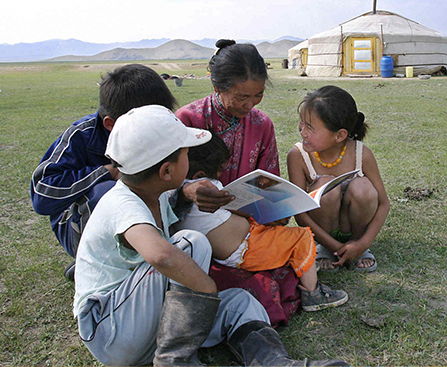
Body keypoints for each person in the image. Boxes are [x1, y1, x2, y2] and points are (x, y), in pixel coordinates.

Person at [74, 105, 347, 367]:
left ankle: (274, 362)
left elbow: (173, 207)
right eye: (185, 153)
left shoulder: (155, 194)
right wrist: (206, 288)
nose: (189, 160)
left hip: (154, 328)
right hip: (109, 330)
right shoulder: (123, 202)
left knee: (241, 302)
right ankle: (175, 361)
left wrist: (186, 192)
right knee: (191, 244)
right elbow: (160, 255)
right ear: (167, 171)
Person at [31, 64, 178, 279]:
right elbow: (42, 196)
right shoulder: (81, 136)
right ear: (111, 124)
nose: (156, 127)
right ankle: (92, 264)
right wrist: (106, 172)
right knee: (109, 192)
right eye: (148, 122)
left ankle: (150, 257)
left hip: (141, 220)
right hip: (80, 224)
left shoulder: (158, 131)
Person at [175, 131, 348, 312]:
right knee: (301, 237)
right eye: (220, 170)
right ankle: (313, 294)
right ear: (200, 174)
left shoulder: (176, 195)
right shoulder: (208, 188)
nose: (221, 175)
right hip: (247, 248)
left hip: (233, 249)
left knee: (282, 237)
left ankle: (306, 269)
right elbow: (242, 211)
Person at [287, 86, 390, 272]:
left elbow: (383, 204)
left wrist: (363, 244)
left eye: (310, 127)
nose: (302, 132)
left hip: (356, 232)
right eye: (301, 123)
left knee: (364, 188)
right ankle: (325, 248)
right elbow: (300, 213)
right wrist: (335, 247)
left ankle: (358, 247)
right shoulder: (298, 156)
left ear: (340, 135)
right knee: (325, 187)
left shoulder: (361, 154)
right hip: (322, 233)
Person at [176, 39, 279, 212]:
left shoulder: (262, 124)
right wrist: (187, 191)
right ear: (217, 86)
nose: (250, 105)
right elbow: (161, 184)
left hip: (248, 217)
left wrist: (275, 206)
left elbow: (270, 181)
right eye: (242, 97)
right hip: (196, 220)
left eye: (258, 95)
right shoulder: (187, 120)